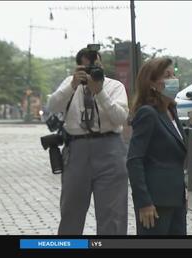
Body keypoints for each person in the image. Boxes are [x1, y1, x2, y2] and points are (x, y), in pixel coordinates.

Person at [47, 47, 129, 235]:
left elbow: (120, 118)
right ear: (78, 68)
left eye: (96, 67)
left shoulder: (114, 87)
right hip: (77, 149)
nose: (91, 72)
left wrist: (100, 92)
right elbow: (52, 106)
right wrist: (72, 85)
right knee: (71, 212)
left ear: (102, 65)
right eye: (86, 68)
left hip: (110, 148)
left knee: (113, 214)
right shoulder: (70, 83)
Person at [127, 57, 187, 235]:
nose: (173, 79)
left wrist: (182, 192)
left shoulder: (171, 111)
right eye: (166, 75)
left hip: (176, 200)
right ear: (152, 84)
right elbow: (134, 160)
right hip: (155, 203)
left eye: (173, 74)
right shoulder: (148, 114)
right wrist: (144, 202)